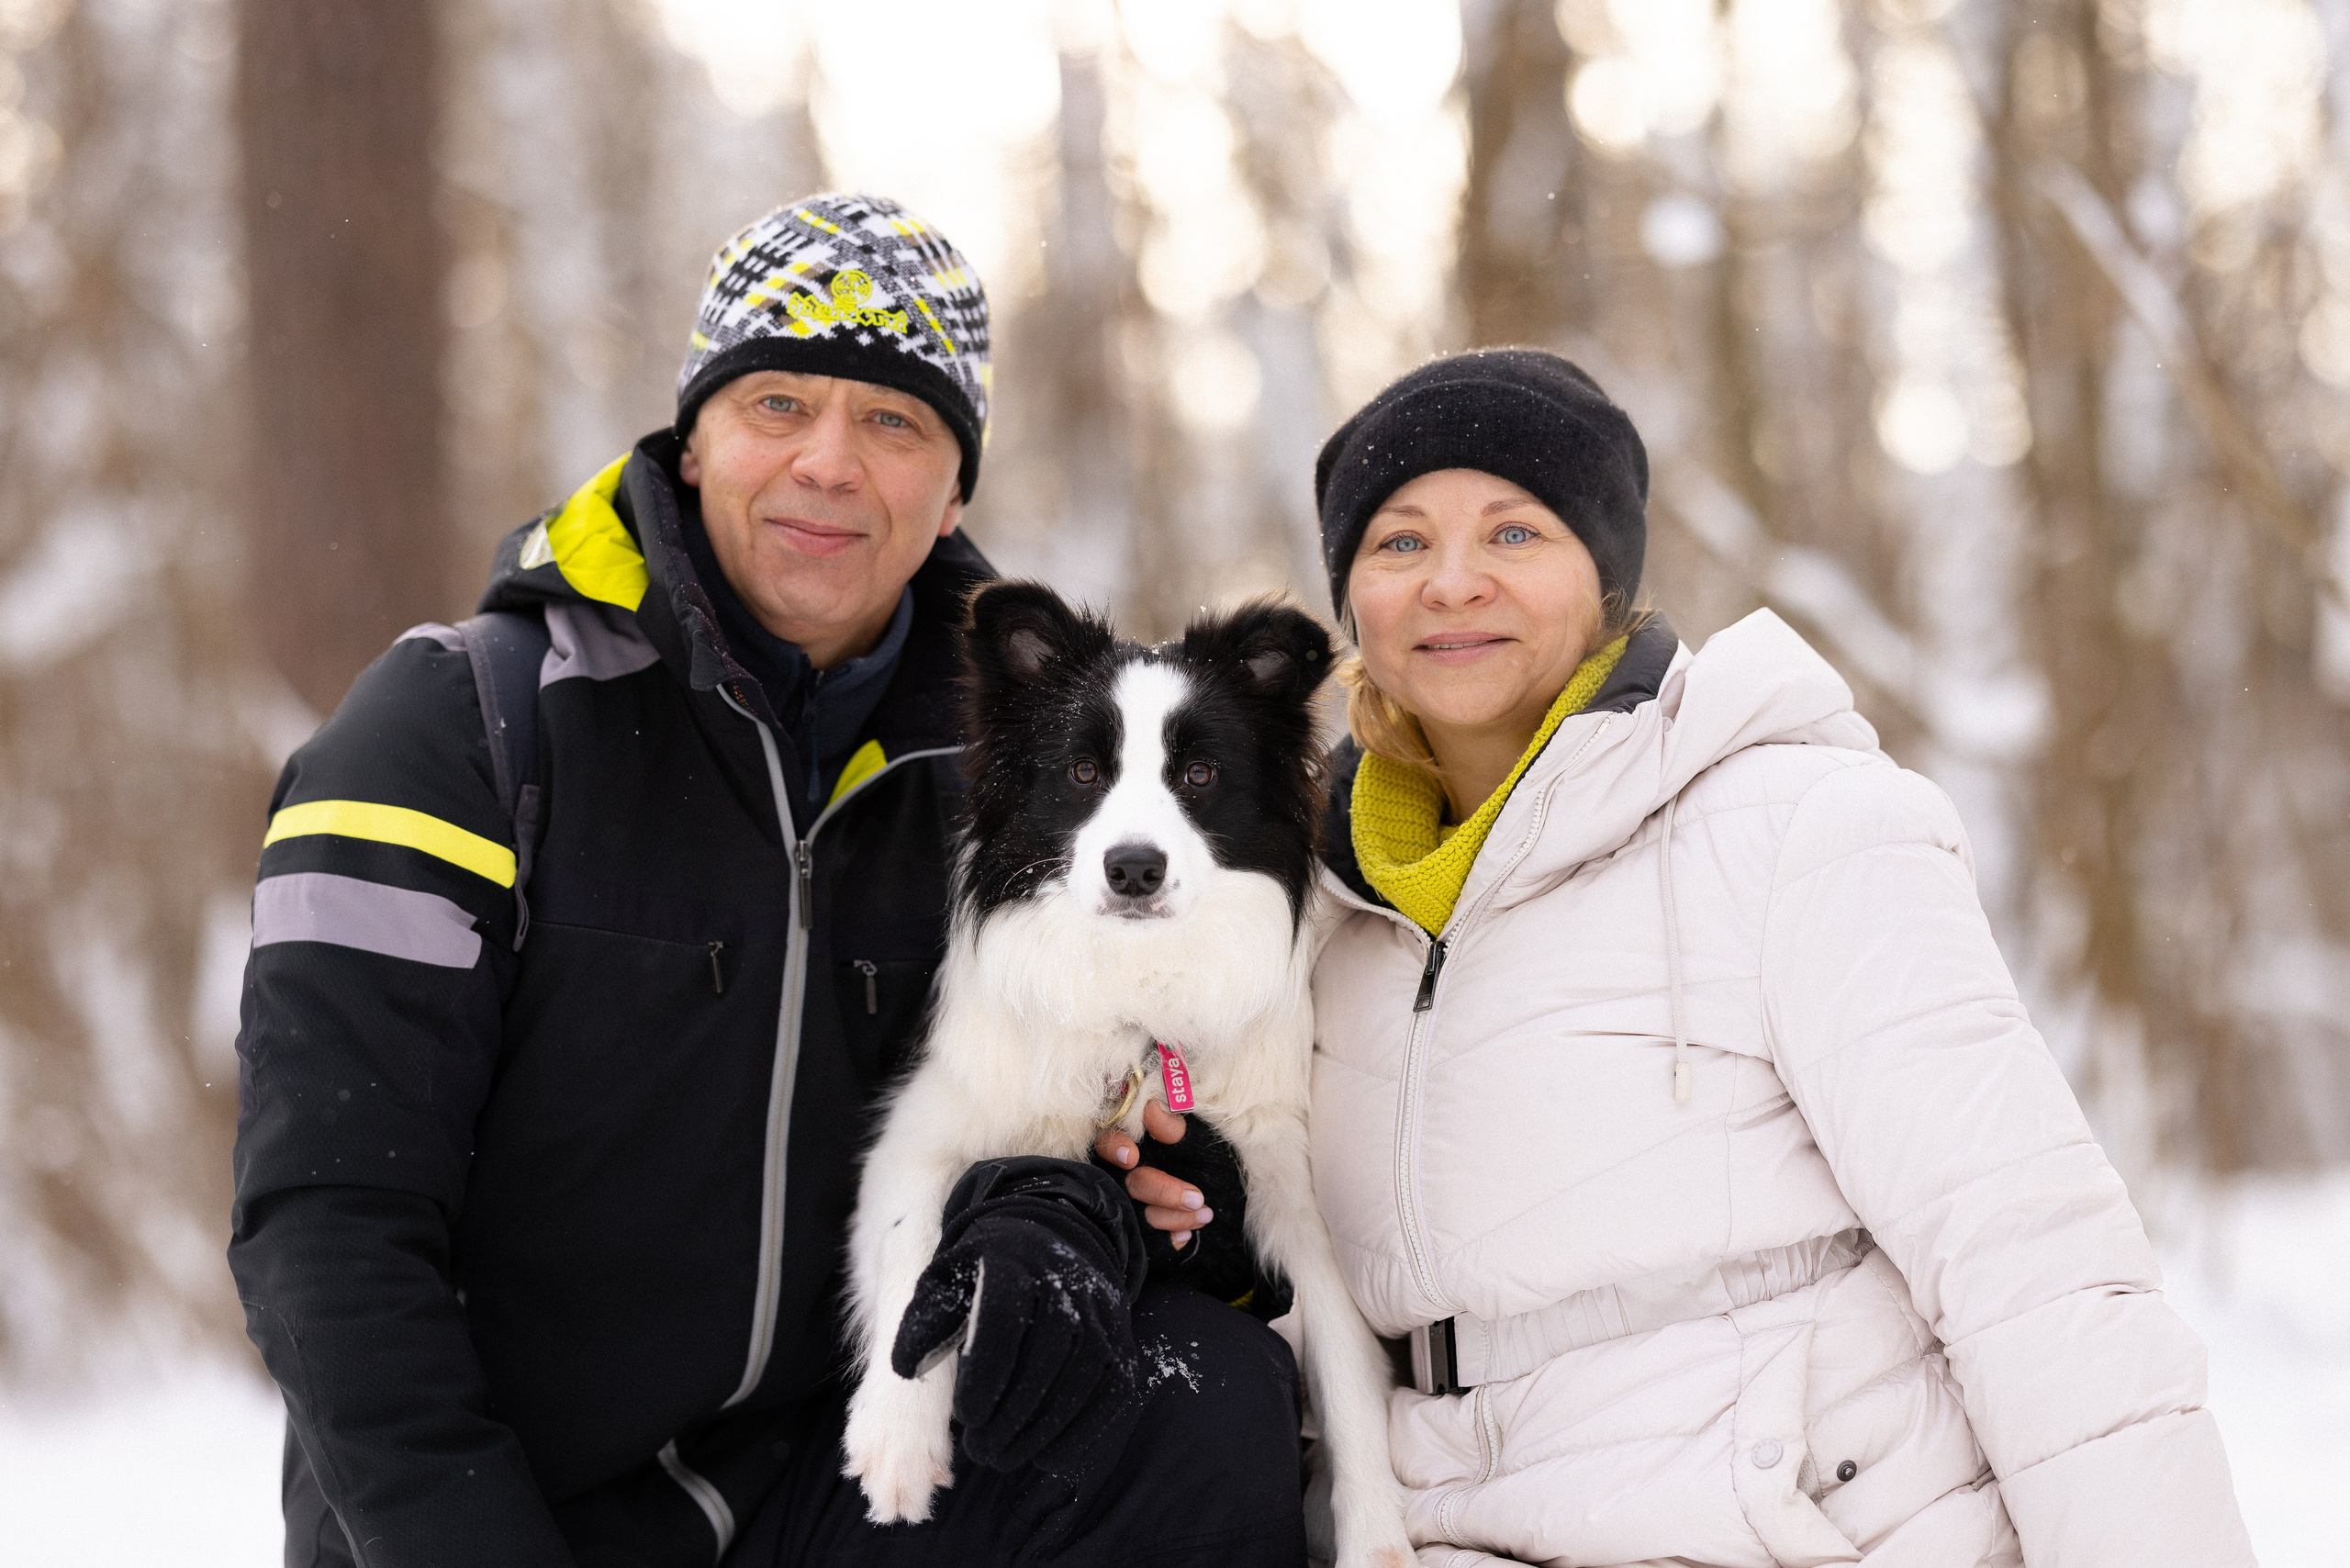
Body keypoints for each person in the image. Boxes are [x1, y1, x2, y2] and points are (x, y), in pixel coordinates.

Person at [227, 194, 1304, 1568]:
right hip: (497, 1514)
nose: (829, 464)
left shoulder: (1021, 798)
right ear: (694, 444)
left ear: (954, 492)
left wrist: (1072, 1212)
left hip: (825, 1493)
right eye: (778, 405)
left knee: (1202, 1399)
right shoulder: (457, 727)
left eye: (893, 422)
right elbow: (326, 1226)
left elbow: (1045, 1112)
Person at [1300, 350, 2254, 1567]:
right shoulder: (1314, 922)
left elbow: (2028, 1261)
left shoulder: (1799, 830)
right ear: (1352, 601)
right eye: (1399, 543)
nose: (1451, 582)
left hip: (1817, 1527)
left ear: (1606, 575)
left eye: (1515, 532)